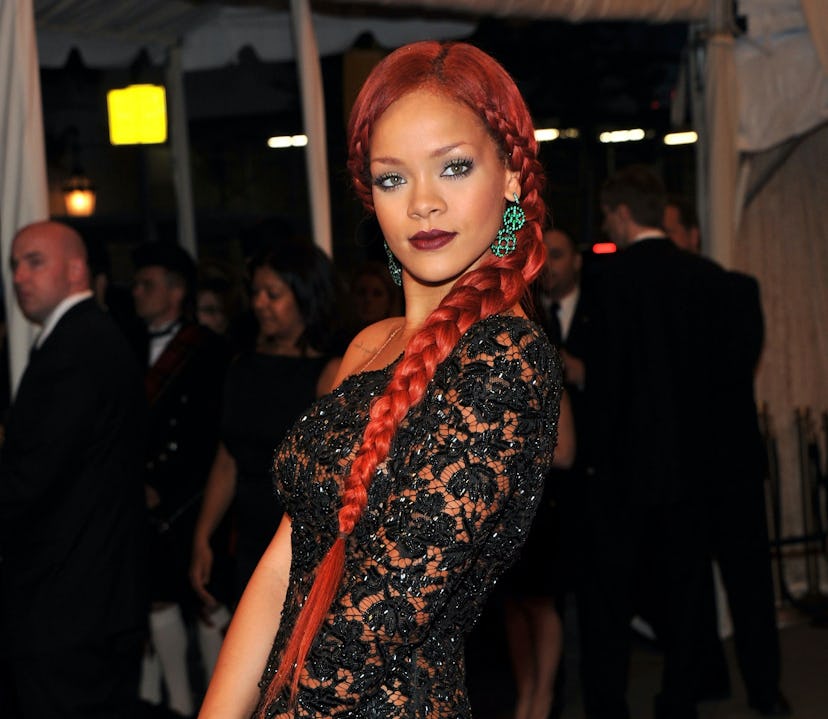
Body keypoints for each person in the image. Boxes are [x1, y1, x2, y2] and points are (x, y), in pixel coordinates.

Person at [197, 40, 563, 718]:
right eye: (393, 178)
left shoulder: (506, 357)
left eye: (453, 167)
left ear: (511, 175)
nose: (423, 203)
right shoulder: (367, 344)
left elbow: (379, 618)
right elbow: (286, 560)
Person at [581, 165, 730, 719]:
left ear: (621, 215)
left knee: (610, 599)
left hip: (623, 468)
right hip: (693, 465)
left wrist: (596, 455)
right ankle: (679, 702)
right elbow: (720, 381)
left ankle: (609, 705)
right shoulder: (707, 279)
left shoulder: (609, 280)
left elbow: (607, 380)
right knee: (687, 593)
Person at [0, 221, 147, 718]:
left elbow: (33, 478)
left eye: (34, 261)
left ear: (77, 268)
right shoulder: (84, 336)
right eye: (14, 264)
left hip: (70, 601)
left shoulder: (77, 347)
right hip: (89, 593)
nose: (19, 276)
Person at [661, 199, 789, 716]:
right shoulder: (670, 302)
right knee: (692, 592)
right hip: (691, 470)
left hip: (726, 469)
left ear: (693, 235)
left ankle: (764, 690)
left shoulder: (733, 290)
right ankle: (705, 684)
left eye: (673, 234)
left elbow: (732, 371)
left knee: (749, 589)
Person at [190, 238, 342, 615]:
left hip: (305, 544)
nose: (259, 304)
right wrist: (203, 535)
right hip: (250, 540)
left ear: (306, 296)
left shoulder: (332, 372)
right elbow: (228, 458)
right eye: (256, 292)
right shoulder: (242, 368)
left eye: (272, 294)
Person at [132, 242, 232, 717]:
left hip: (189, 495)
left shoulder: (207, 350)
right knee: (156, 600)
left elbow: (212, 433)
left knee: (206, 598)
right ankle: (175, 707)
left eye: (147, 283)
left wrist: (165, 486)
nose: (136, 291)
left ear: (176, 292)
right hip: (139, 495)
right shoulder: (125, 343)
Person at [349, 259, 403, 329]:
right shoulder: (339, 337)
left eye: (377, 294)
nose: (368, 300)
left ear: (390, 300)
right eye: (361, 292)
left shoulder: (400, 336)